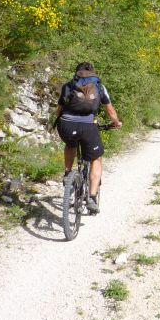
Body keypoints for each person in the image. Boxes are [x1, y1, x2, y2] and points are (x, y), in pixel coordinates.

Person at [55, 62, 121, 214]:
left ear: (77, 72)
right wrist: (116, 123)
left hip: (66, 125)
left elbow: (59, 109)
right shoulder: (99, 87)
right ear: (93, 73)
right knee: (96, 159)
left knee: (70, 144)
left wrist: (57, 122)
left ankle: (67, 174)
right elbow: (110, 110)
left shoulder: (68, 85)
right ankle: (91, 197)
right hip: (88, 126)